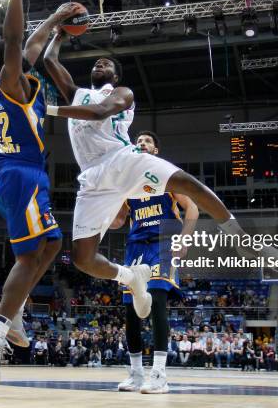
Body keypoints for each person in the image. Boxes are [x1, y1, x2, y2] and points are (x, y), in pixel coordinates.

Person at [43, 7, 256, 334]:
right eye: (97, 63)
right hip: (93, 178)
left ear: (114, 77)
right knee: (83, 259)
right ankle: (129, 277)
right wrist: (58, 32)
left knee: (184, 182)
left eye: (108, 64)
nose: (101, 64)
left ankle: (235, 233)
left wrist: (49, 108)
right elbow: (49, 63)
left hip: (123, 160)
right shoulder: (77, 94)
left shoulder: (122, 94)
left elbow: (100, 112)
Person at [0, 0, 82, 383]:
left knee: (52, 244)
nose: (26, 58)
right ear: (7, 65)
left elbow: (30, 45)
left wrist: (55, 19)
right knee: (33, 252)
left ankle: (10, 314)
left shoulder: (24, 84)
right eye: (17, 58)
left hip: (18, 175)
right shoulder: (10, 82)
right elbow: (17, 40)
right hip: (19, 174)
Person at [111, 131, 198, 394]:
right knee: (131, 312)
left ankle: (159, 374)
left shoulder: (167, 176)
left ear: (156, 150)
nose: (142, 144)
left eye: (147, 141)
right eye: (138, 142)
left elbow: (192, 208)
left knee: (158, 300)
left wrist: (185, 240)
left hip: (164, 242)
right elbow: (118, 221)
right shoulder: (128, 185)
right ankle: (136, 374)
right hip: (136, 246)